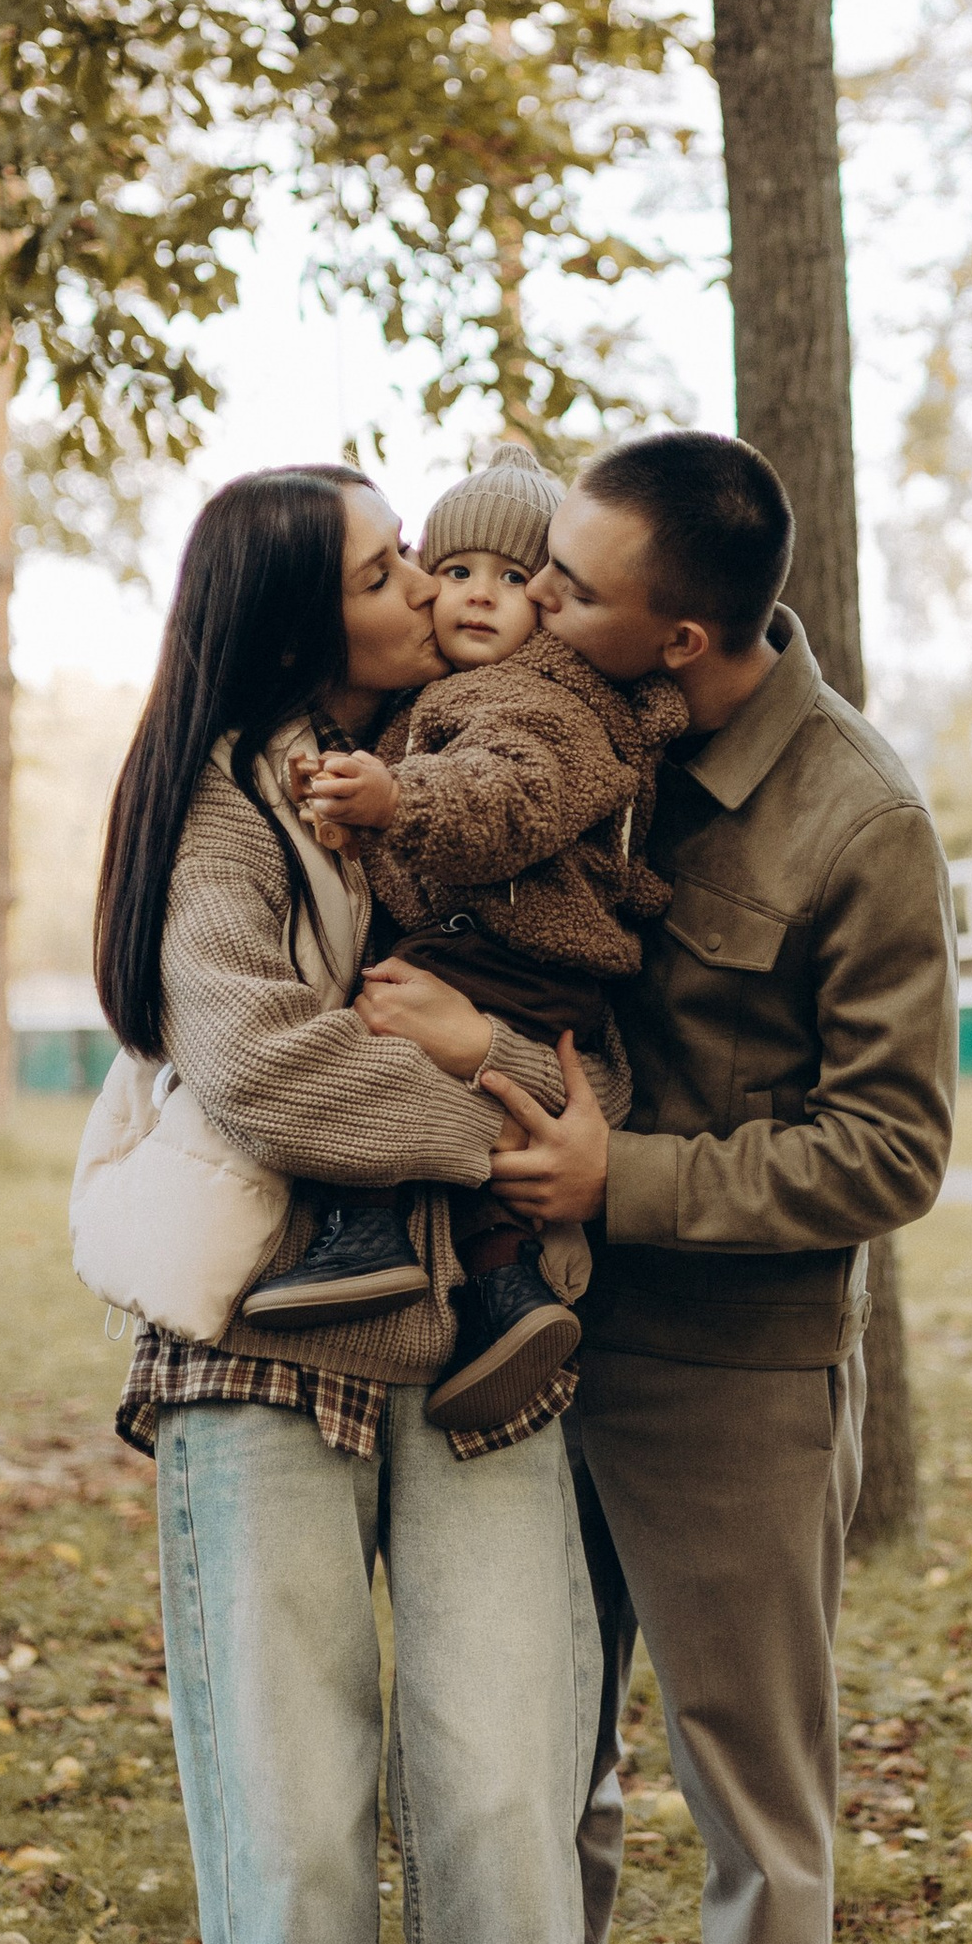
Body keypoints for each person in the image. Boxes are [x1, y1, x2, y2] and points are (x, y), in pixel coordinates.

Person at [357, 431, 957, 1944]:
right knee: (537, 1778)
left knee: (749, 1795)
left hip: (735, 1377)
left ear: (680, 637)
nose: (536, 605)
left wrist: (632, 1179)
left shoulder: (858, 823)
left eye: (575, 591)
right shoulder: (552, 732)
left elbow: (892, 1152)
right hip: (525, 1345)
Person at [89, 463, 606, 1944]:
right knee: (294, 1839)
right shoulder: (228, 810)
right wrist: (494, 1133)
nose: (428, 589)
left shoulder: (501, 780)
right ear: (314, 626)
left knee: (496, 1809)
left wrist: (534, 1079)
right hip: (256, 1362)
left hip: (483, 1353)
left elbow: (590, 1021)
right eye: (389, 570)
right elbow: (254, 1063)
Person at [244, 443, 690, 1437]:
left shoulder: (542, 699)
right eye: (451, 572)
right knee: (405, 1022)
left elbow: (504, 798)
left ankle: (363, 1233)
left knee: (379, 1021)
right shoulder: (445, 697)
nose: (475, 596)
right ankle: (505, 1292)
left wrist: (395, 796)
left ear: (553, 603)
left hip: (520, 959)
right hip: (505, 959)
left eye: (511, 578)